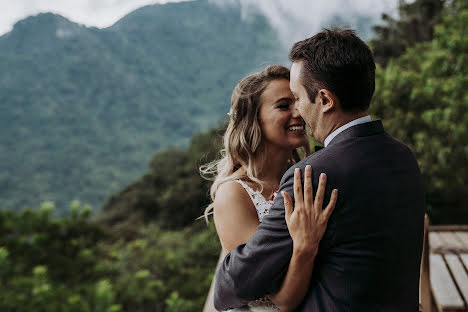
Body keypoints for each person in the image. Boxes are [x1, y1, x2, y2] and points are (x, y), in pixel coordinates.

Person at [214, 28, 425, 312]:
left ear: (325, 100)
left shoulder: (313, 175)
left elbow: (237, 283)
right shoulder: (403, 157)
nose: (298, 111)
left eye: (298, 98)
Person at [200, 64, 338, 311]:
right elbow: (281, 301)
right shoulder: (235, 194)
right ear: (254, 119)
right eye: (284, 106)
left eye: (298, 101)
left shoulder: (308, 178)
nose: (298, 112)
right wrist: (305, 248)